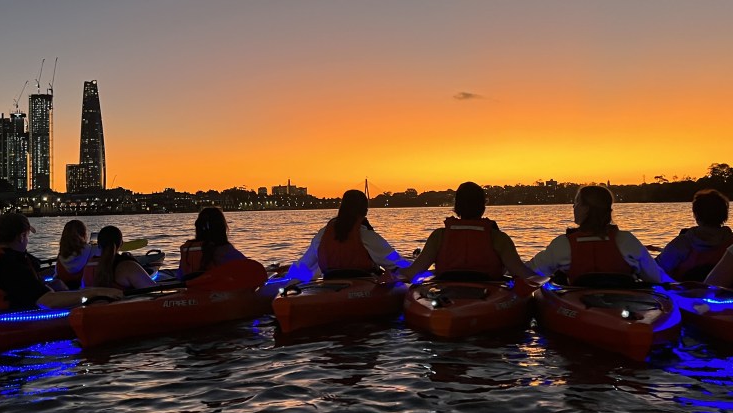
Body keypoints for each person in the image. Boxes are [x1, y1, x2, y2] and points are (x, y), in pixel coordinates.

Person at [528, 184, 672, 285]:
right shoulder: (627, 241)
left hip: (580, 307)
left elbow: (531, 271)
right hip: (625, 306)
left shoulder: (562, 244)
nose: (573, 207)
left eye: (577, 202)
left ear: (586, 209)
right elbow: (655, 278)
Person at [394, 181, 534, 282]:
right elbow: (521, 273)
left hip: (446, 295)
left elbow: (413, 272)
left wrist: (393, 274)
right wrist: (545, 279)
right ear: (483, 206)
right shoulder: (498, 238)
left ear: (456, 207)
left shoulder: (439, 236)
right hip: (488, 294)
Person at [0, 212, 92, 312]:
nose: (27, 240)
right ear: (21, 237)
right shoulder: (12, 264)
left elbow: (19, 288)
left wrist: (47, 286)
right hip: (8, 322)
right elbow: (48, 301)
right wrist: (89, 295)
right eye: (27, 236)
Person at [285, 189, 410, 283]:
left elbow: (305, 265)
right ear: (365, 211)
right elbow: (395, 262)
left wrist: (287, 276)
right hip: (364, 289)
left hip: (330, 287)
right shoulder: (367, 236)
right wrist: (418, 269)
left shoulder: (322, 235)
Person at [655, 190, 733, 281]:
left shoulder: (682, 244)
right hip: (722, 293)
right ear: (725, 215)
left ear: (696, 215)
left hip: (684, 293)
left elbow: (654, 270)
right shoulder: (731, 244)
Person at [178, 207, 247, 278]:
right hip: (220, 287)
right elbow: (250, 269)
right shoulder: (226, 251)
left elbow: (180, 275)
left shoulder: (188, 250)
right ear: (221, 228)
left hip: (193, 287)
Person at [81, 225, 155, 290]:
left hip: (94, 305)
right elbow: (153, 289)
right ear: (121, 243)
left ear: (99, 245)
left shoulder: (88, 265)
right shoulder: (127, 266)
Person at [55, 219, 100, 289]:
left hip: (66, 296)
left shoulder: (60, 257)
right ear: (84, 234)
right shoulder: (94, 250)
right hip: (88, 294)